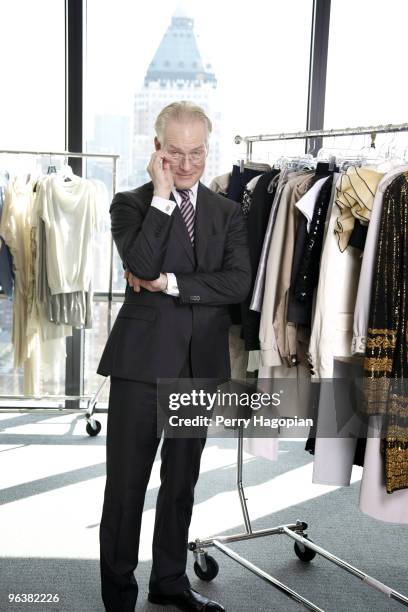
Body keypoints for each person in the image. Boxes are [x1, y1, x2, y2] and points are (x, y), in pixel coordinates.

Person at [97, 101, 251, 612]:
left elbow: (237, 283)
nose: (187, 164)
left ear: (209, 148)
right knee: (126, 488)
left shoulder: (229, 212)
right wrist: (162, 198)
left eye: (197, 152)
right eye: (175, 153)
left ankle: (169, 580)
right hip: (141, 365)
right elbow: (138, 260)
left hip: (199, 365)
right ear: (157, 150)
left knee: (181, 482)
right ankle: (119, 596)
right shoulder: (130, 204)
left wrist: (169, 283)